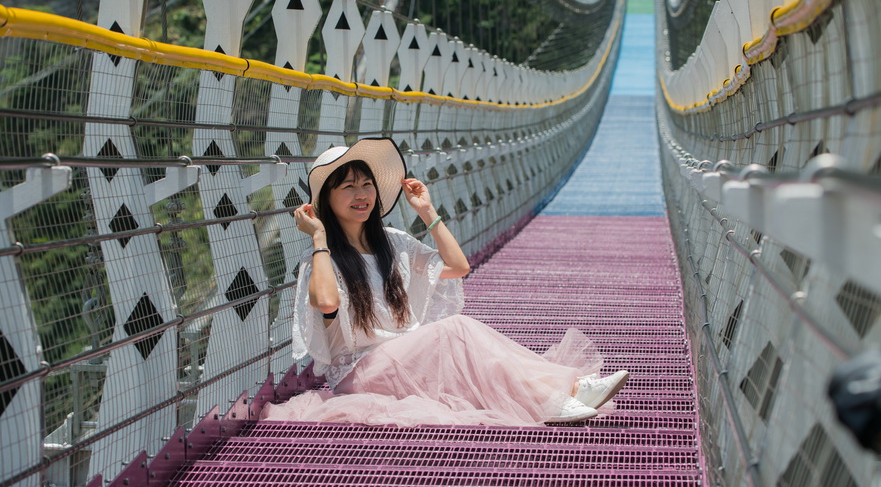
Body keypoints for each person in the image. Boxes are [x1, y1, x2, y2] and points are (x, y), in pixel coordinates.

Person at [261, 137, 629, 426]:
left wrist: (427, 212)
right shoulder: (321, 259)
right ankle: (554, 397)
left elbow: (457, 266)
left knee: (462, 342)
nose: (362, 195)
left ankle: (562, 393)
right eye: (348, 188)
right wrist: (319, 238)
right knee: (454, 331)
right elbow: (326, 303)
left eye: (367, 185)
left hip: (401, 358)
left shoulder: (392, 242)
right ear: (326, 199)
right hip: (360, 375)